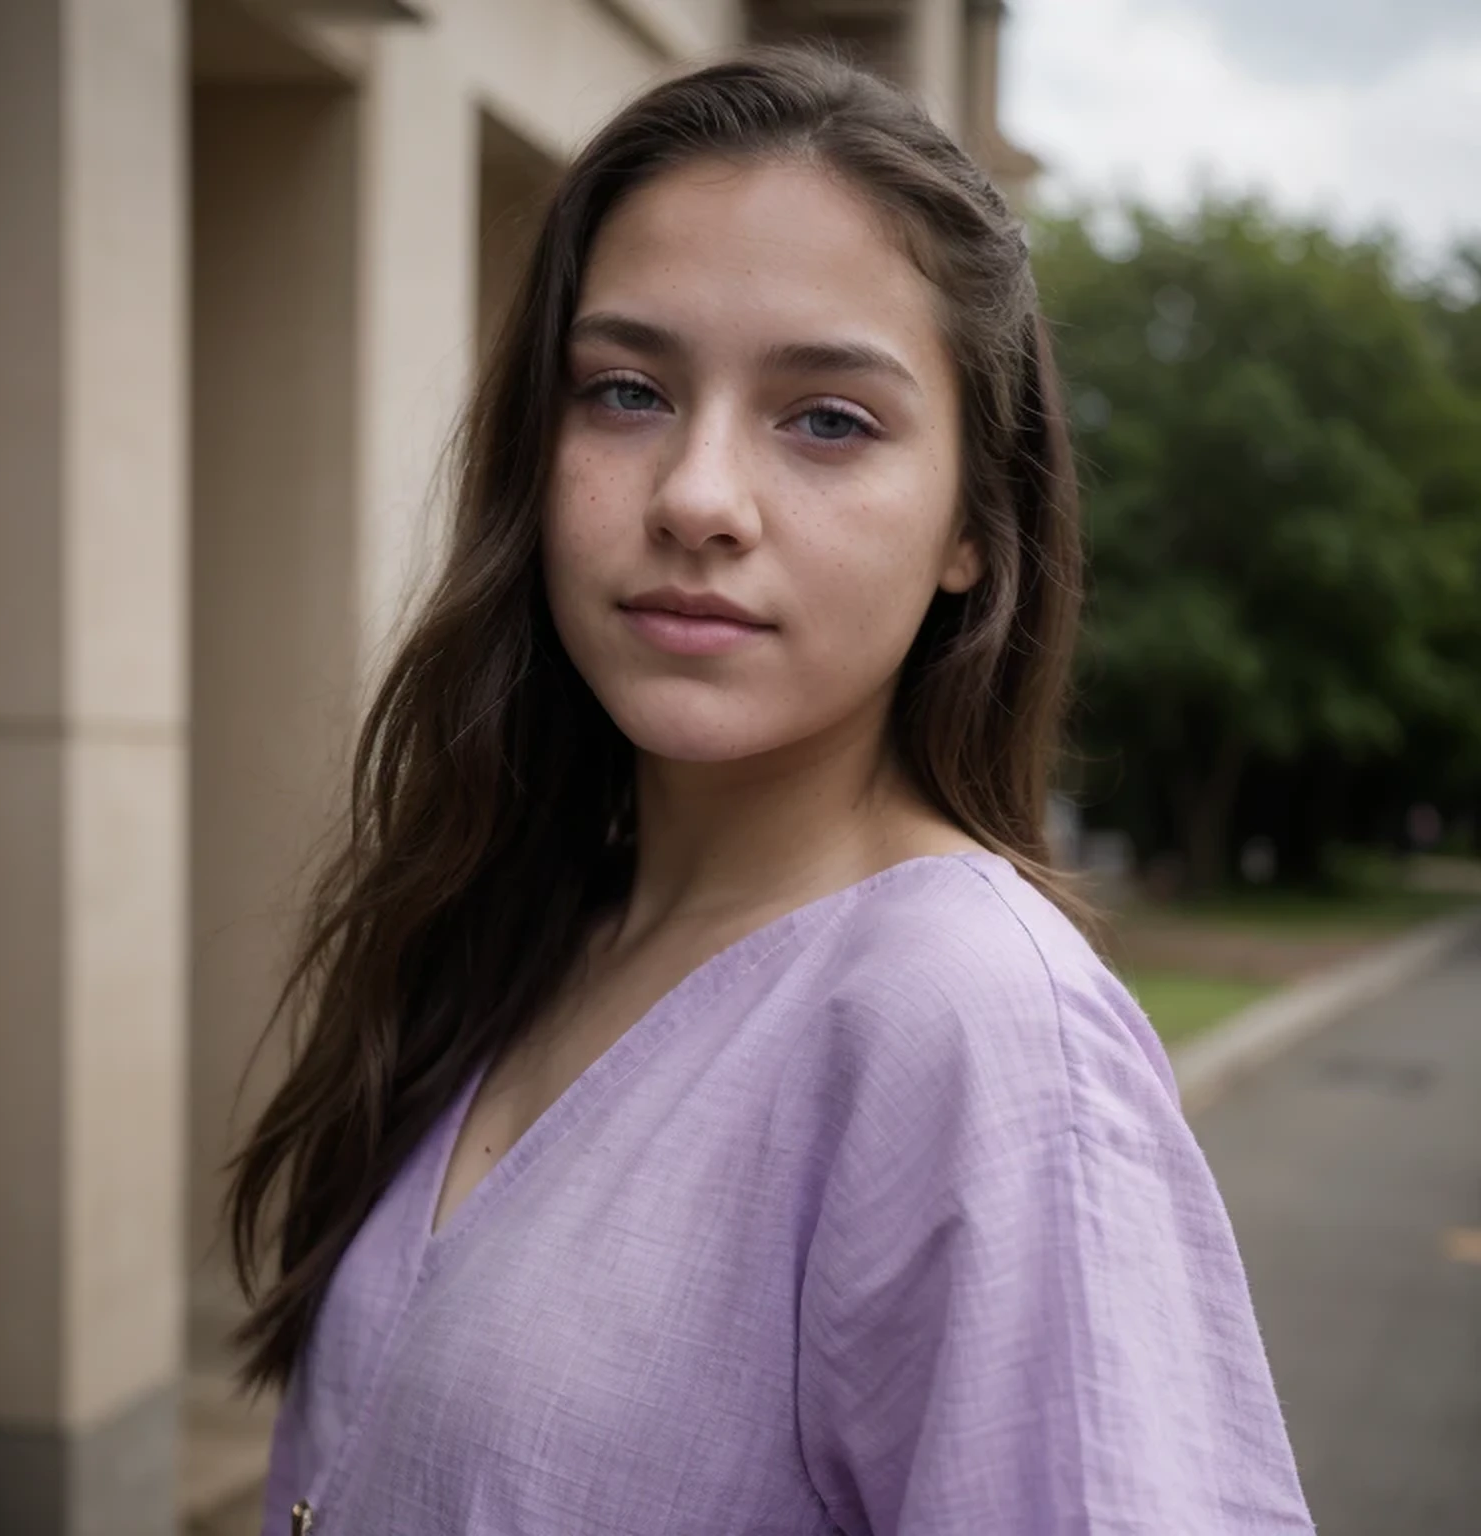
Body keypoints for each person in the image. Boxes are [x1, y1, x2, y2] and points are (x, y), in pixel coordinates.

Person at [228, 47, 1314, 1535]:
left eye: (827, 420)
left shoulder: (974, 1028)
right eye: (625, 391)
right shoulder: (530, 917)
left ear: (973, 528)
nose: (695, 496)